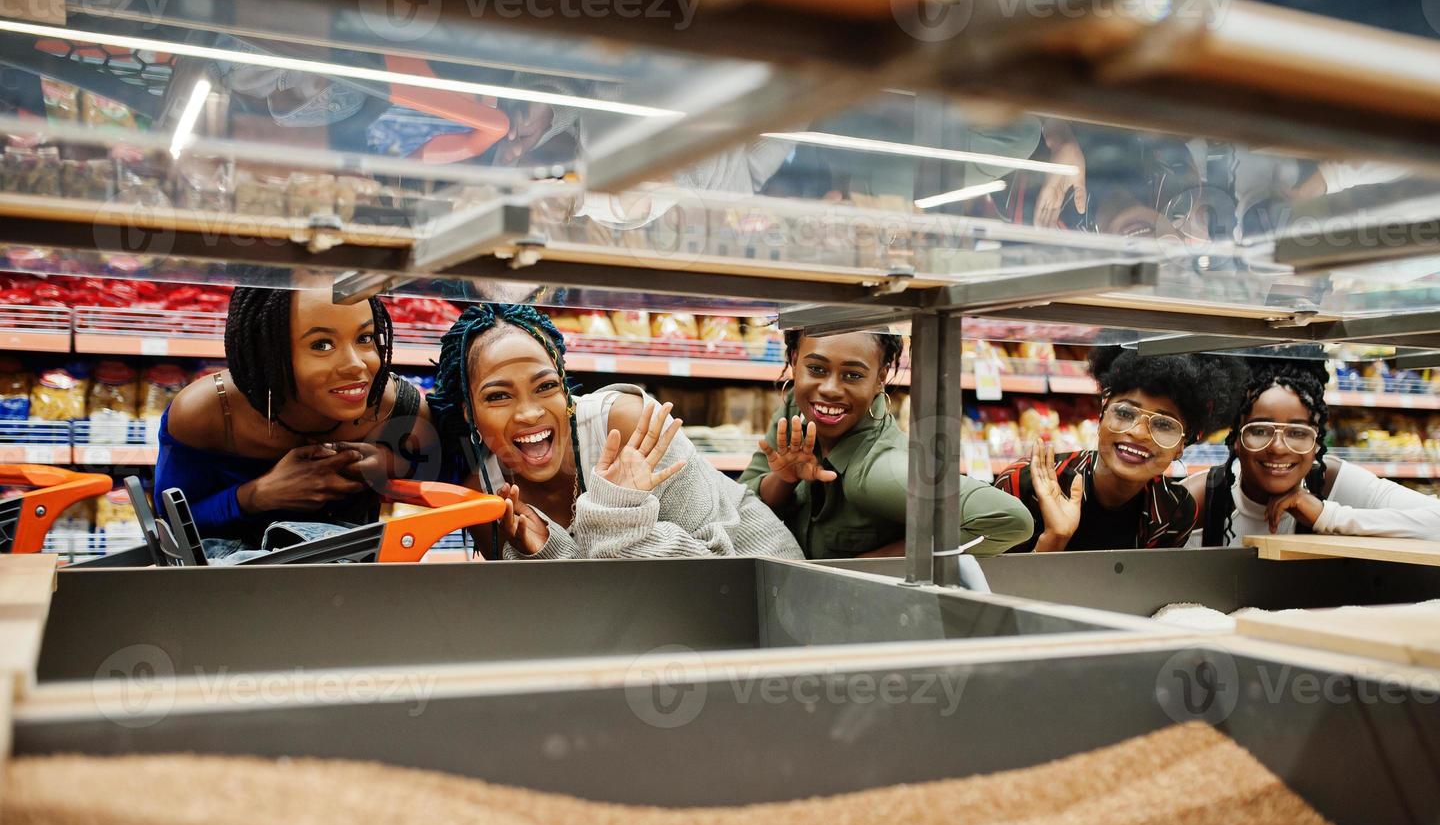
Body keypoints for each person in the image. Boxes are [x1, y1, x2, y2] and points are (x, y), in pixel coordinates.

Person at [428, 304, 802, 561]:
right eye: (498, 396)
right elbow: (583, 607)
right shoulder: (484, 495)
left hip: (767, 585)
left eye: (545, 387)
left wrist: (616, 515)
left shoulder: (628, 426)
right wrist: (544, 552)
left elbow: (714, 569)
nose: (529, 413)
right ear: (469, 412)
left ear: (565, 388)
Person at [155, 287, 434, 558]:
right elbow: (171, 525)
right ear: (267, 352)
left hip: (348, 587)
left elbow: (458, 492)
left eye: (364, 338)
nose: (356, 365)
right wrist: (255, 495)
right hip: (231, 591)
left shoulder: (397, 409)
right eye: (322, 345)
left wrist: (392, 469)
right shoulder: (206, 412)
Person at [739, 330, 1033, 560]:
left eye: (853, 375)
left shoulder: (877, 472)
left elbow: (1009, 519)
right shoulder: (796, 407)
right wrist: (783, 480)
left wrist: (871, 566)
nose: (828, 389)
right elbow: (740, 504)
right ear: (793, 361)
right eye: (816, 369)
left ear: (881, 377)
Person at [1187, 361, 1440, 547]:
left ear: (1317, 444)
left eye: (1298, 433)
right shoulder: (1201, 498)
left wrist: (1328, 516)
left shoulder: (1332, 482)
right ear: (1236, 438)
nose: (1278, 447)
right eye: (1260, 430)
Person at [996, 347, 1242, 552]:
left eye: (1164, 424)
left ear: (1182, 445)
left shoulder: (1174, 512)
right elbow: (983, 592)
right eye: (1125, 413)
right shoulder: (1023, 485)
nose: (1138, 432)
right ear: (1101, 416)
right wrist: (1054, 539)